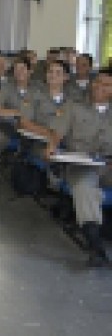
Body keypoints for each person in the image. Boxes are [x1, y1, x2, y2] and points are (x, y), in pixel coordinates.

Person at [47, 68, 112, 267]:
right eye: (97, 82)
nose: (99, 87)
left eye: (106, 84)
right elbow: (57, 132)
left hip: (108, 165)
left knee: (93, 192)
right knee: (85, 188)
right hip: (81, 164)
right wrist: (51, 147)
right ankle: (95, 245)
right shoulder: (74, 106)